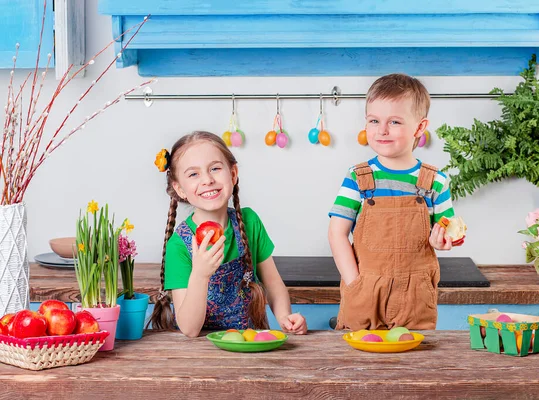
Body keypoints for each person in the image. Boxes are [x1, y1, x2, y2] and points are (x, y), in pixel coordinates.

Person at [328, 74, 456, 331]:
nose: (382, 130)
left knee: (413, 360)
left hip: (416, 296)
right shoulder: (357, 177)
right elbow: (336, 234)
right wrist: (355, 283)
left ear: (419, 128)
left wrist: (441, 240)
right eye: (374, 121)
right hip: (365, 291)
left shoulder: (436, 182)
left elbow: (447, 233)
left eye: (394, 121)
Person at [149, 131, 307, 337]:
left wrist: (285, 316)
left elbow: (273, 283)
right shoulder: (179, 245)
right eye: (193, 174)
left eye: (215, 168)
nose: (207, 180)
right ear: (179, 189)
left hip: (249, 344)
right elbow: (189, 329)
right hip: (201, 354)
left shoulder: (249, 222)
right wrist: (200, 274)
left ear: (233, 174)